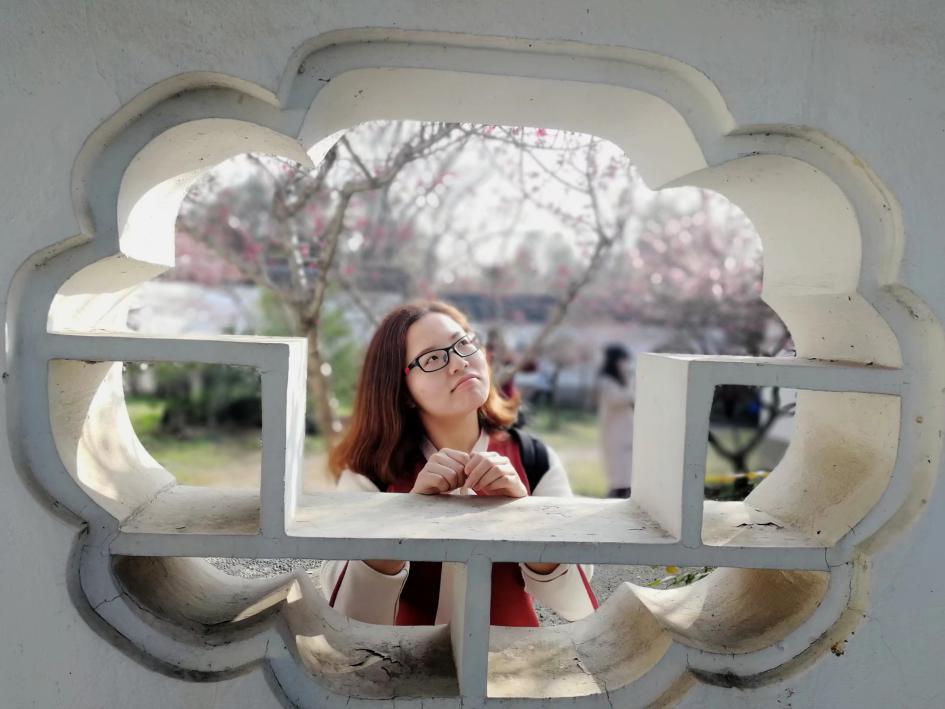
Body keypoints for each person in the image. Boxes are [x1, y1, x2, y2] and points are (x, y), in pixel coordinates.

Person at [322, 301, 598, 626]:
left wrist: (525, 517)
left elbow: (576, 605)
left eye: (464, 343)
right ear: (402, 390)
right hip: (401, 658)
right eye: (432, 358)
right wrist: (404, 521)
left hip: (511, 656)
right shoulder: (369, 474)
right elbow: (347, 616)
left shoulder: (534, 459)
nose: (458, 362)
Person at [598, 344, 635, 498]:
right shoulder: (607, 382)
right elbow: (620, 399)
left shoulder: (621, 381)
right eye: (623, 360)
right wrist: (631, 381)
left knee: (627, 474)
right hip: (615, 434)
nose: (626, 364)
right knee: (620, 475)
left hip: (625, 433)